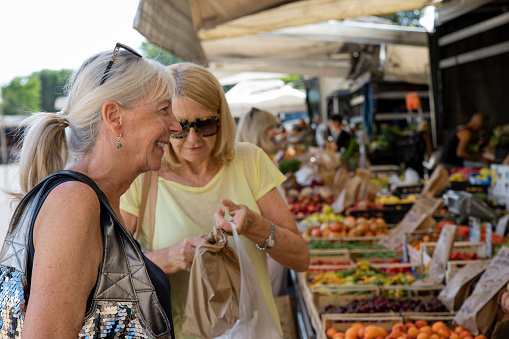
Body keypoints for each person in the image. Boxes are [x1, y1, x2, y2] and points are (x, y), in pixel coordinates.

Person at [1, 43, 181, 338]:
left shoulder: (92, 200)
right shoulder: (75, 202)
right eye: (164, 110)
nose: (175, 125)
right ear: (114, 117)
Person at [120, 62, 310, 338]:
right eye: (181, 128)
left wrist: (255, 226)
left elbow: (301, 259)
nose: (193, 139)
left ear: (221, 119)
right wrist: (168, 259)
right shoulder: (145, 175)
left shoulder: (249, 161)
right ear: (165, 124)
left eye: (205, 124)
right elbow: (113, 273)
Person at [236, 107, 289, 297]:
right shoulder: (250, 164)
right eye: (271, 127)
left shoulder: (260, 160)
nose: (276, 132)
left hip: (271, 248)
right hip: (265, 254)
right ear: (259, 130)